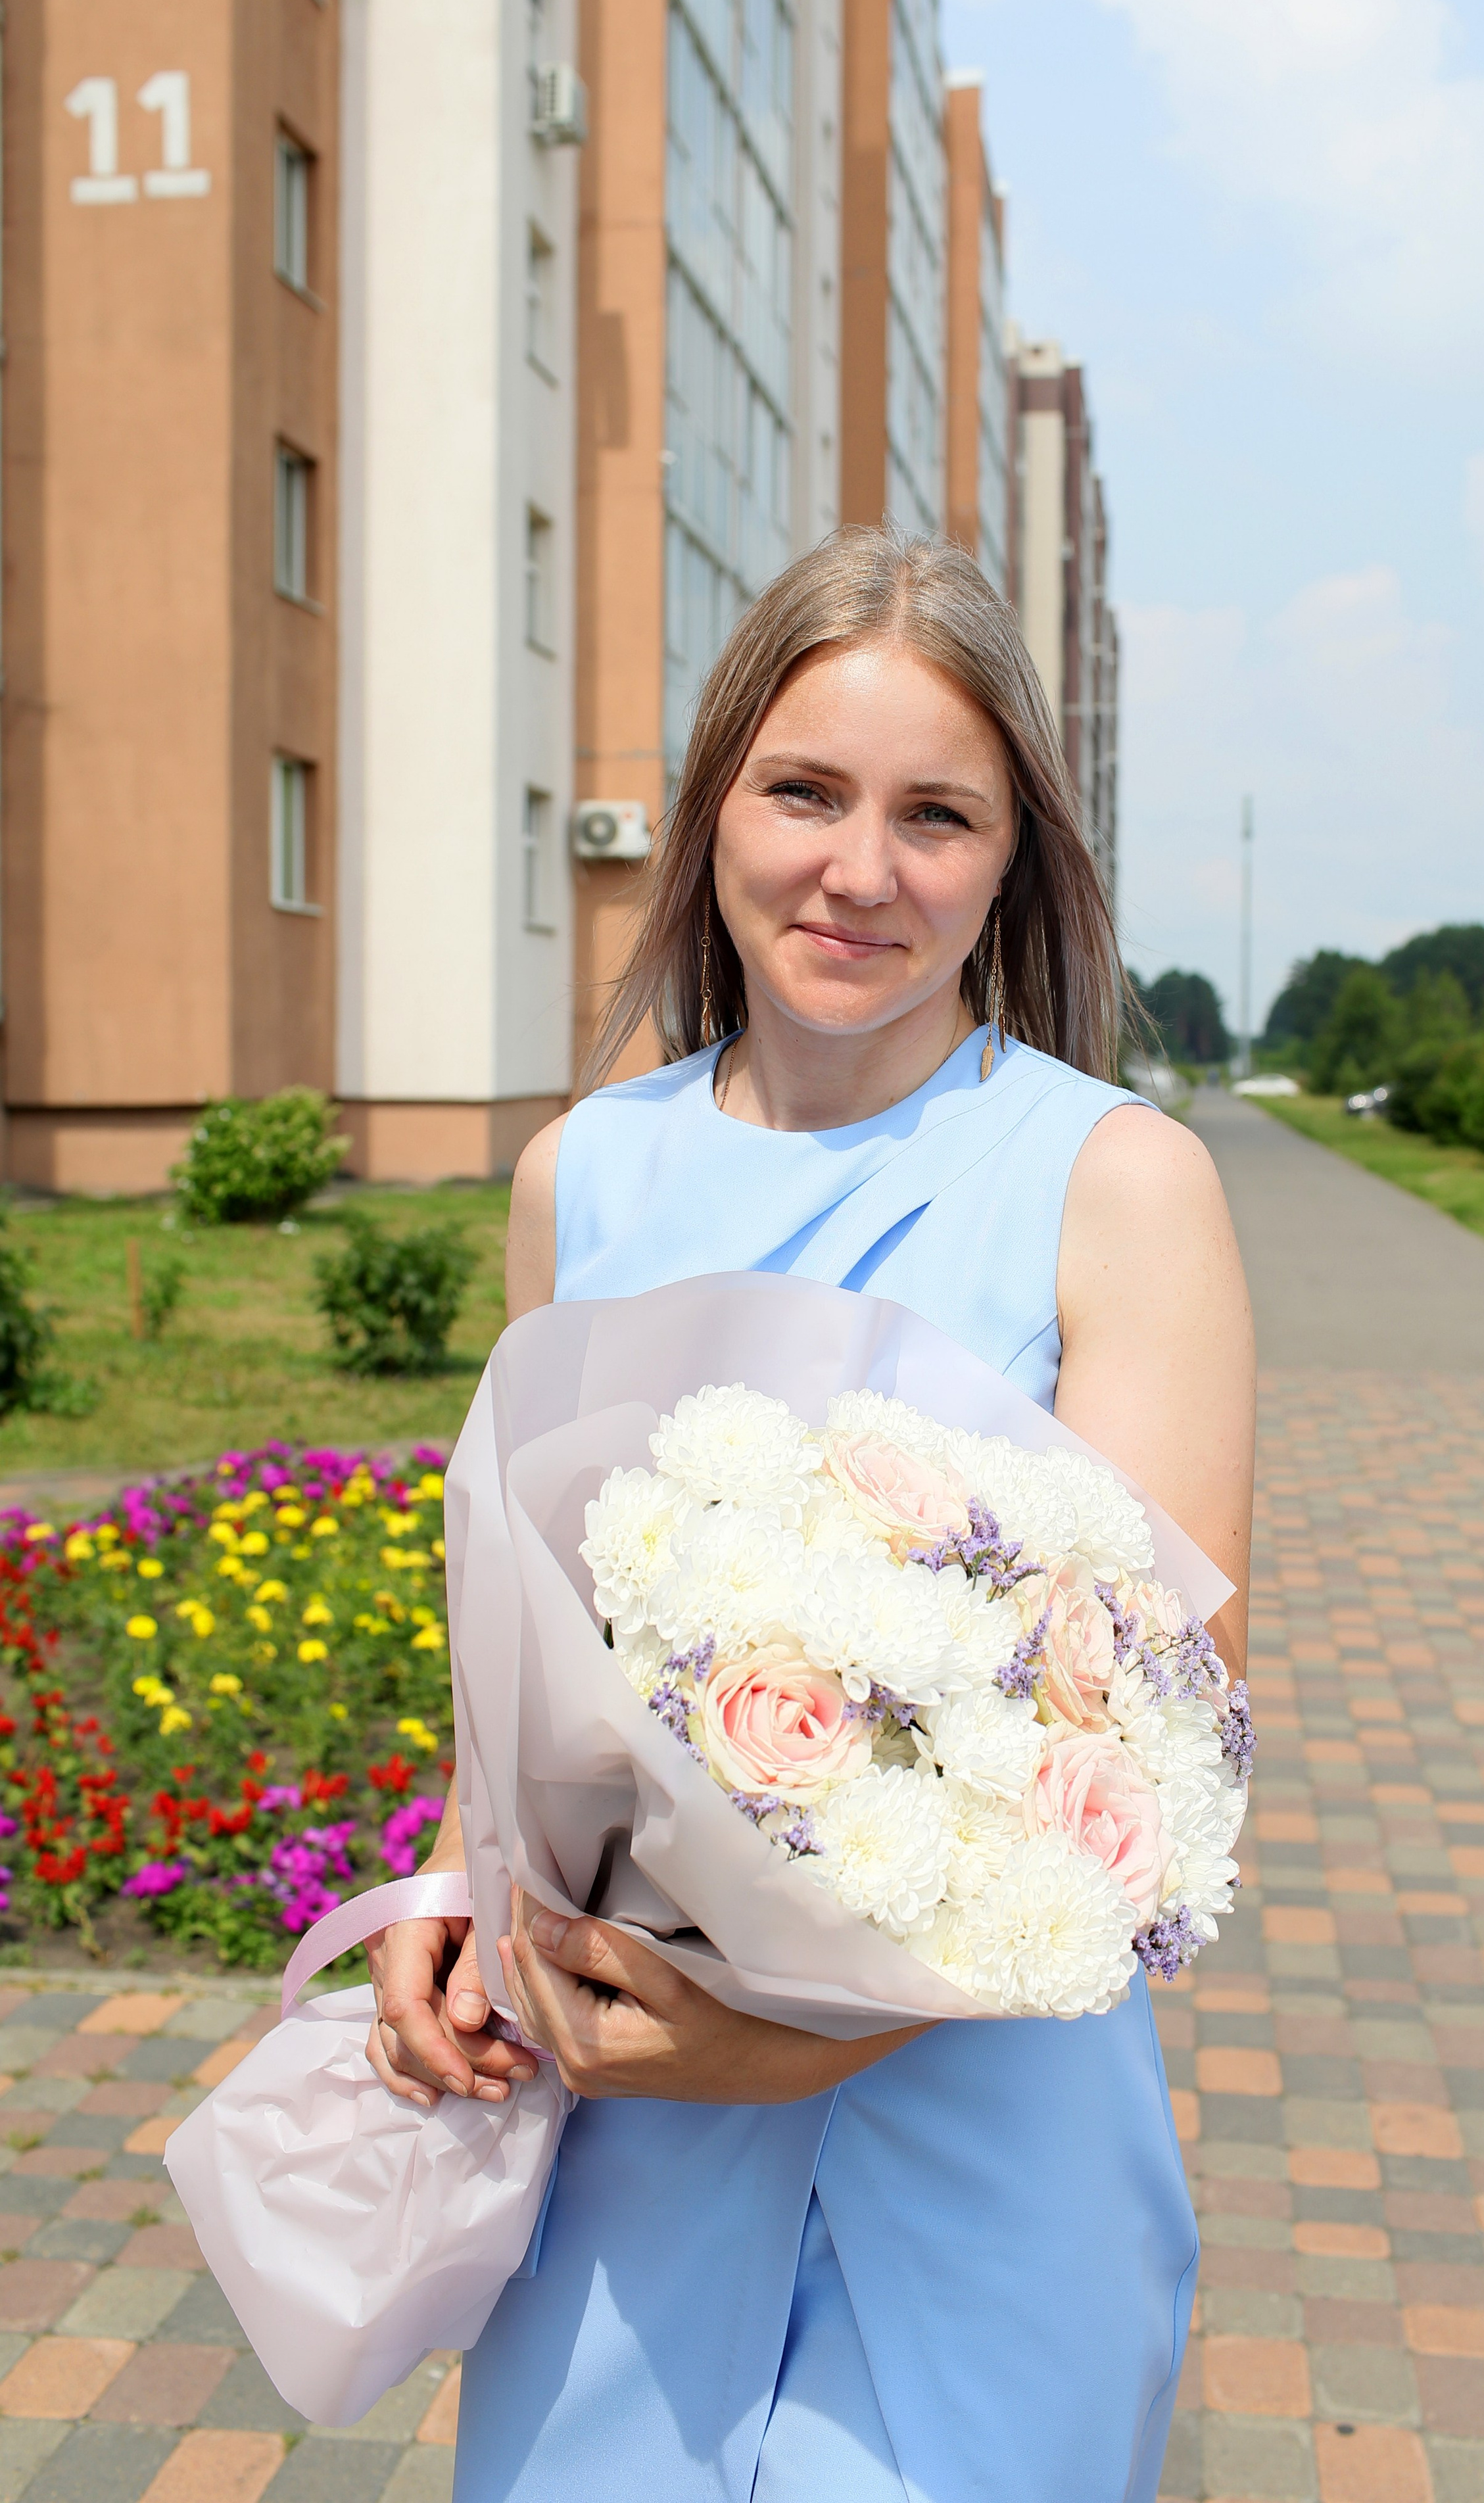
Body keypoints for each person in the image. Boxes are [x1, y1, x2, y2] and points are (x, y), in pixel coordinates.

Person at [364, 525, 1255, 2502]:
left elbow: (1163, 1750)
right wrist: (448, 1883)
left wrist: (809, 2042)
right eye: (805, 791)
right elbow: (536, 1658)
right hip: (624, 2117)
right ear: (713, 810)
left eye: (937, 812)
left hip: (980, 2128)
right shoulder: (581, 1177)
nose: (862, 870)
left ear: (1015, 856)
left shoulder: (1116, 1182)